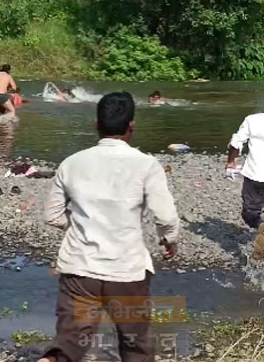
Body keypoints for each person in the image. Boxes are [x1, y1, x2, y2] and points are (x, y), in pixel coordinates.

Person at [37, 92, 180, 362]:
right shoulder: (146, 165)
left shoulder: (72, 163)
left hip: (79, 270)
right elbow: (165, 216)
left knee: (67, 346)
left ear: (96, 125)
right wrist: (169, 241)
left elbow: (53, 215)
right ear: (131, 126)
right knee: (135, 345)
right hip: (126, 271)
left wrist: (79, 228)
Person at [226, 111, 264, 229]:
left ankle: (261, 227)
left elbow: (236, 143)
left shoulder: (253, 120)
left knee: (250, 212)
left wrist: (230, 163)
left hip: (256, 173)